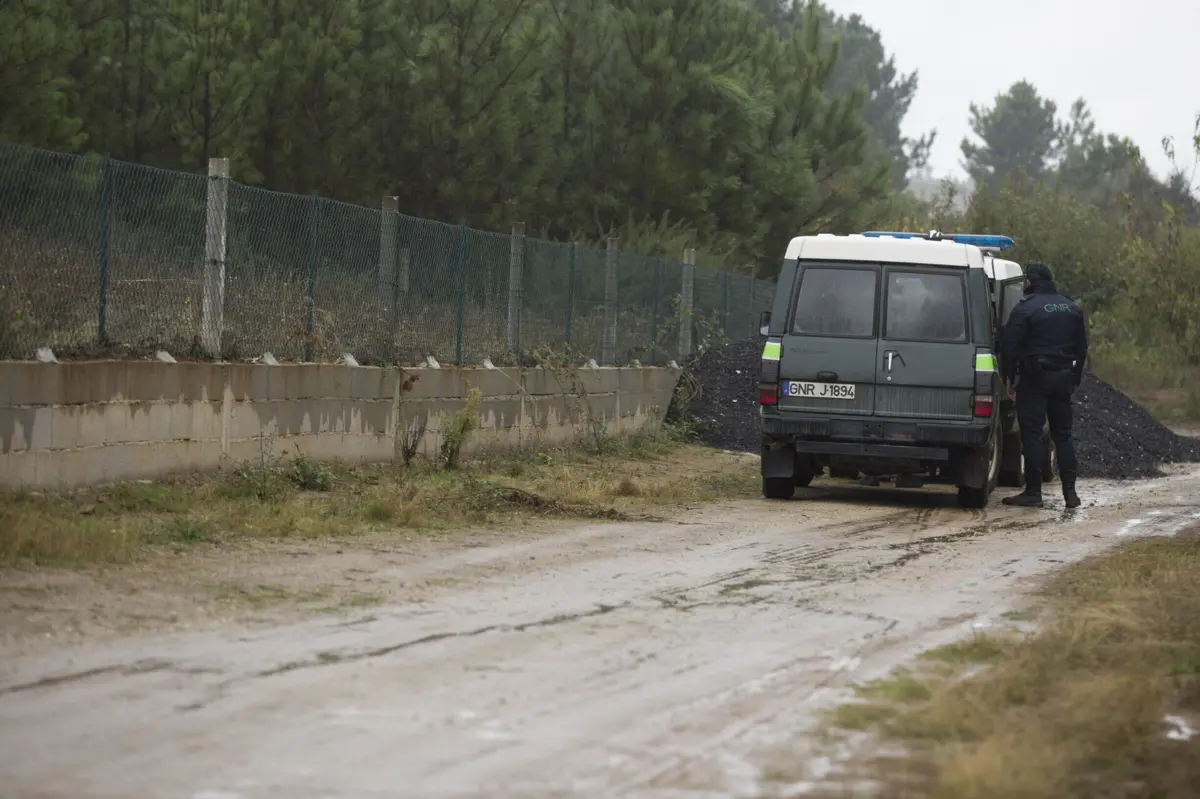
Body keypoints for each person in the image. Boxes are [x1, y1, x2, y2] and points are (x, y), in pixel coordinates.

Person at [1000, 263, 1089, 509]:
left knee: (1032, 434)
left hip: (1034, 379)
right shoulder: (1071, 307)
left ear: (1029, 281)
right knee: (1063, 435)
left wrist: (1009, 378)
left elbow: (1009, 346)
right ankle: (1070, 494)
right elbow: (1082, 347)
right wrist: (1075, 377)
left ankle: (1033, 492)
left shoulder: (1025, 309)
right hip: (1063, 377)